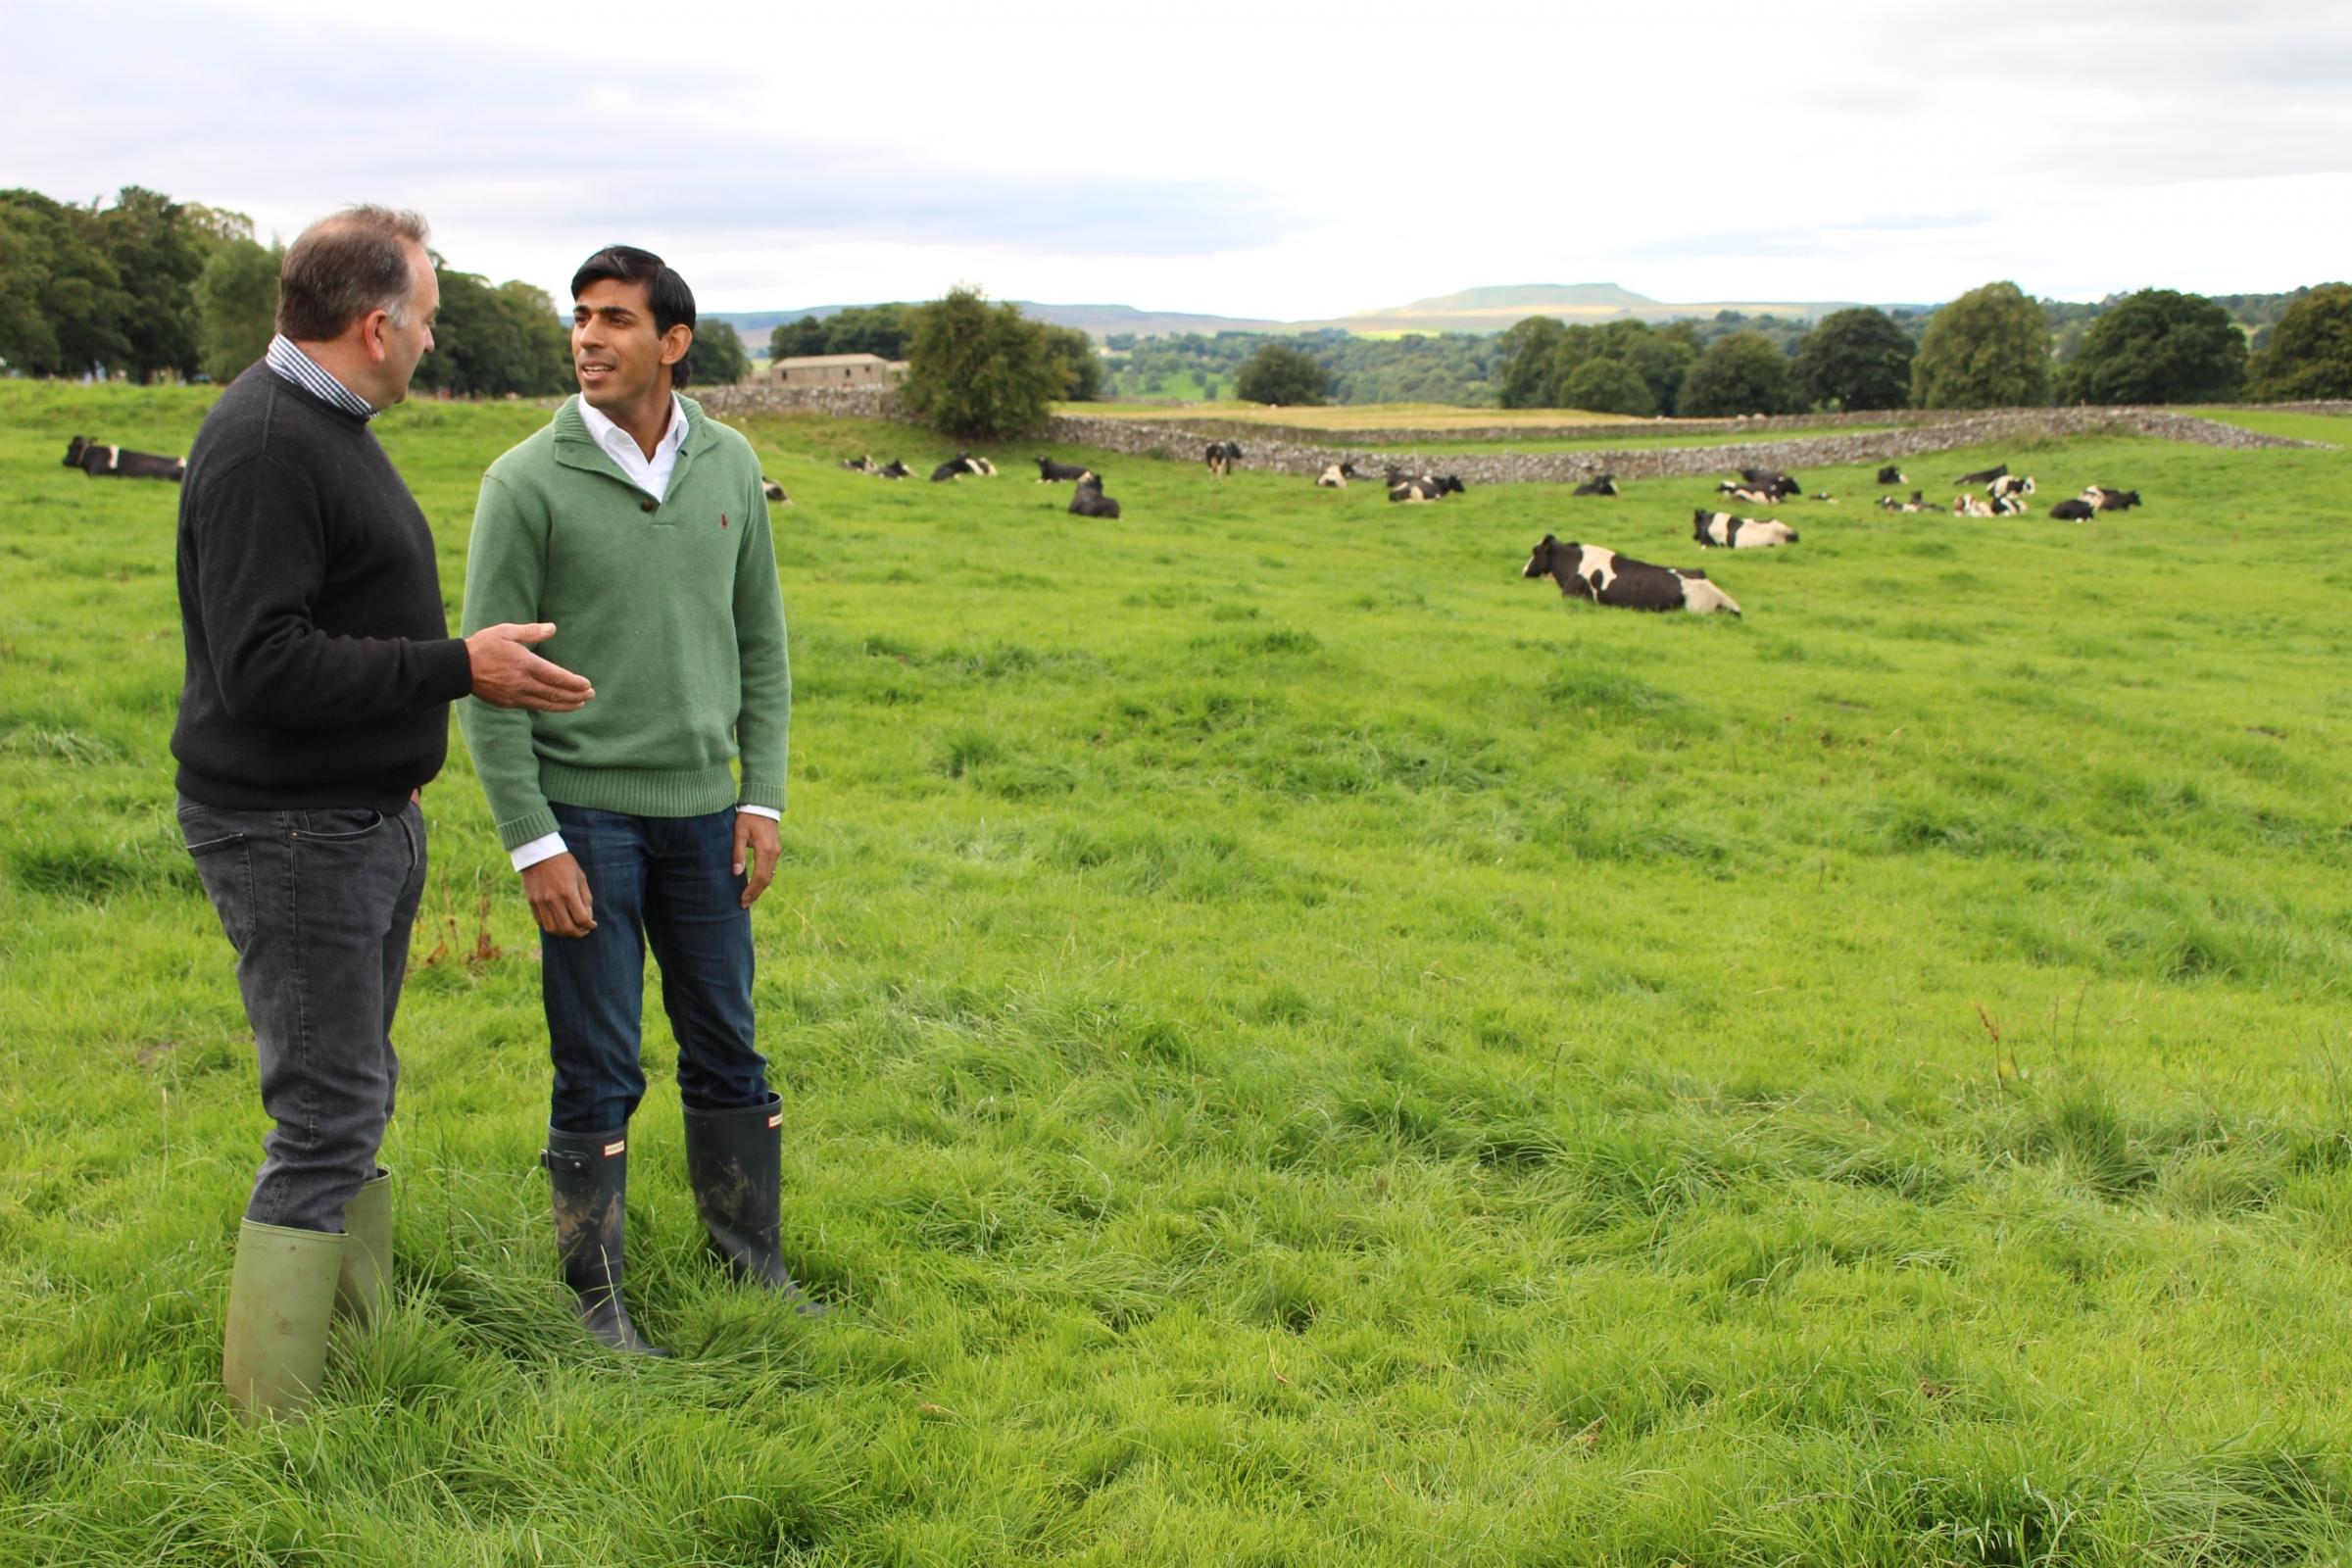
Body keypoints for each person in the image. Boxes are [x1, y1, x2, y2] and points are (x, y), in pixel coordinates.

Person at [173, 205, 596, 1422]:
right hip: (293, 829)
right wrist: (456, 667)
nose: (430, 344)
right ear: (374, 325)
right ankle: (277, 1423)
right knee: (323, 1114)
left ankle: (349, 1350)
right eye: (426, 323)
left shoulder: (323, 423)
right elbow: (264, 667)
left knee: (350, 1092)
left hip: (351, 819)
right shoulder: (267, 444)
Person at [459, 244, 810, 1356]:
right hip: (586, 818)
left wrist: (764, 800)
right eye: (580, 317)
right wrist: (533, 841)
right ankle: (595, 1303)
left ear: (673, 342)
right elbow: (485, 679)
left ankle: (751, 1265)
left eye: (615, 319)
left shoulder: (729, 462)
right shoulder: (525, 481)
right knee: (601, 1059)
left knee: (729, 1047)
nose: (588, 338)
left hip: (707, 813)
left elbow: (761, 645)